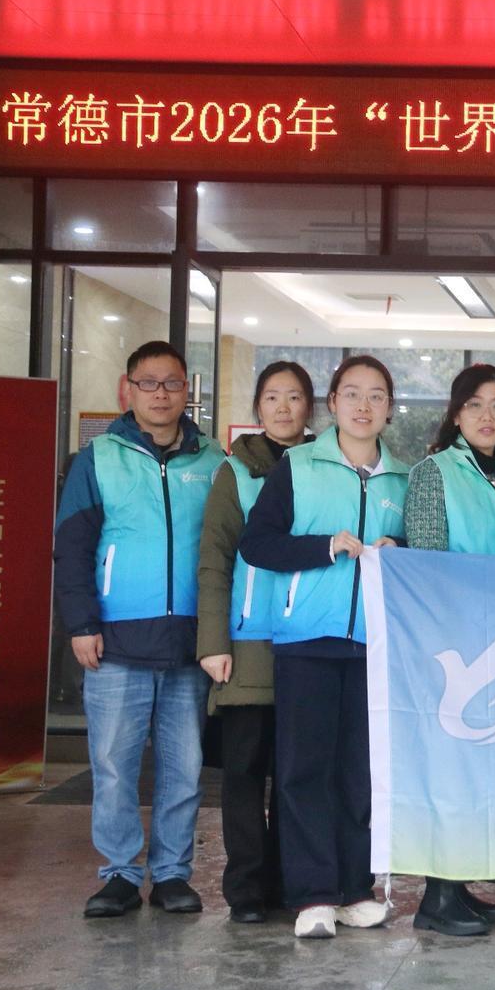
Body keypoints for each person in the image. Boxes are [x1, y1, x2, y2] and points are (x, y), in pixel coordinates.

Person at [237, 355, 409, 939]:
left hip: (373, 644)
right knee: (303, 771)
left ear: (389, 408)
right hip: (307, 639)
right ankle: (312, 895)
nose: (364, 406)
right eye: (352, 394)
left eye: (377, 395)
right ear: (332, 404)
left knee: (360, 773)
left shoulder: (402, 479)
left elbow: (420, 554)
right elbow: (258, 544)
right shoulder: (298, 465)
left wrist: (398, 547)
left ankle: (355, 889)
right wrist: (322, 547)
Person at [54, 340, 225, 919]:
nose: (160, 393)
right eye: (148, 383)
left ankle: (173, 873)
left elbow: (225, 550)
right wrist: (81, 622)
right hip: (115, 639)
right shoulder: (98, 458)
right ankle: (121, 874)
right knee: (112, 766)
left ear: (186, 391)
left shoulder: (213, 460)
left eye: (171, 383)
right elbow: (72, 548)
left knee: (184, 767)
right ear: (127, 389)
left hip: (189, 642)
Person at [403, 363, 495, 937]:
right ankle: (435, 898)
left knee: (479, 769)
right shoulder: (434, 473)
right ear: (456, 414)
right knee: (448, 768)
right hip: (453, 645)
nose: (487, 417)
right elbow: (427, 566)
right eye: (475, 405)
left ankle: (458, 886)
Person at [195, 360, 314, 923]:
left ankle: (290, 881)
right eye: (272, 397)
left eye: (294, 397)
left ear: (310, 407)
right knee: (243, 772)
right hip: (245, 643)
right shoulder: (234, 472)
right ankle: (245, 889)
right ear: (257, 408)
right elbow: (214, 559)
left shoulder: (324, 467)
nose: (283, 407)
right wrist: (212, 641)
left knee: (296, 773)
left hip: (307, 640)